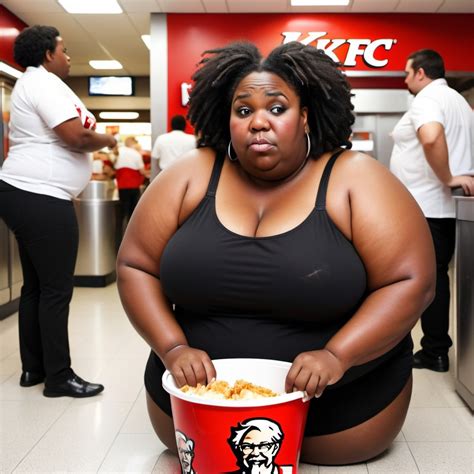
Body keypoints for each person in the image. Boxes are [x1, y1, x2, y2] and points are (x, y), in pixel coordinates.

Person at [117, 41, 435, 465]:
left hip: (339, 411)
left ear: (305, 116)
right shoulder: (191, 175)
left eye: (277, 108)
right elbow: (135, 265)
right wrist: (173, 348)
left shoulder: (354, 178)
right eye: (243, 110)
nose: (258, 123)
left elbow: (411, 281)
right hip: (197, 411)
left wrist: (337, 354)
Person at [0, 25, 116, 397]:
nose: (68, 57)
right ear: (48, 54)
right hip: (40, 195)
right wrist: (108, 138)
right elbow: (76, 137)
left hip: (25, 193)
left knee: (35, 286)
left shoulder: (31, 84)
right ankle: (58, 377)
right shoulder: (44, 84)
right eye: (64, 50)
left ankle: (33, 369)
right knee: (56, 290)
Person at [390, 49, 474, 373]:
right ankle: (436, 348)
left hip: (426, 205)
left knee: (423, 281)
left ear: (422, 74)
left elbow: (431, 137)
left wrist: (448, 177)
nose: (405, 79)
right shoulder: (460, 103)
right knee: (438, 278)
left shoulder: (426, 98)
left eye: (407, 73)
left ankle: (433, 350)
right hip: (445, 208)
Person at [114, 136, 149, 231]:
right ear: (133, 143)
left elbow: (114, 166)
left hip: (122, 187)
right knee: (132, 213)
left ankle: (118, 238)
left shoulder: (118, 152)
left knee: (122, 213)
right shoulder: (136, 154)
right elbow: (142, 171)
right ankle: (131, 234)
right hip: (133, 186)